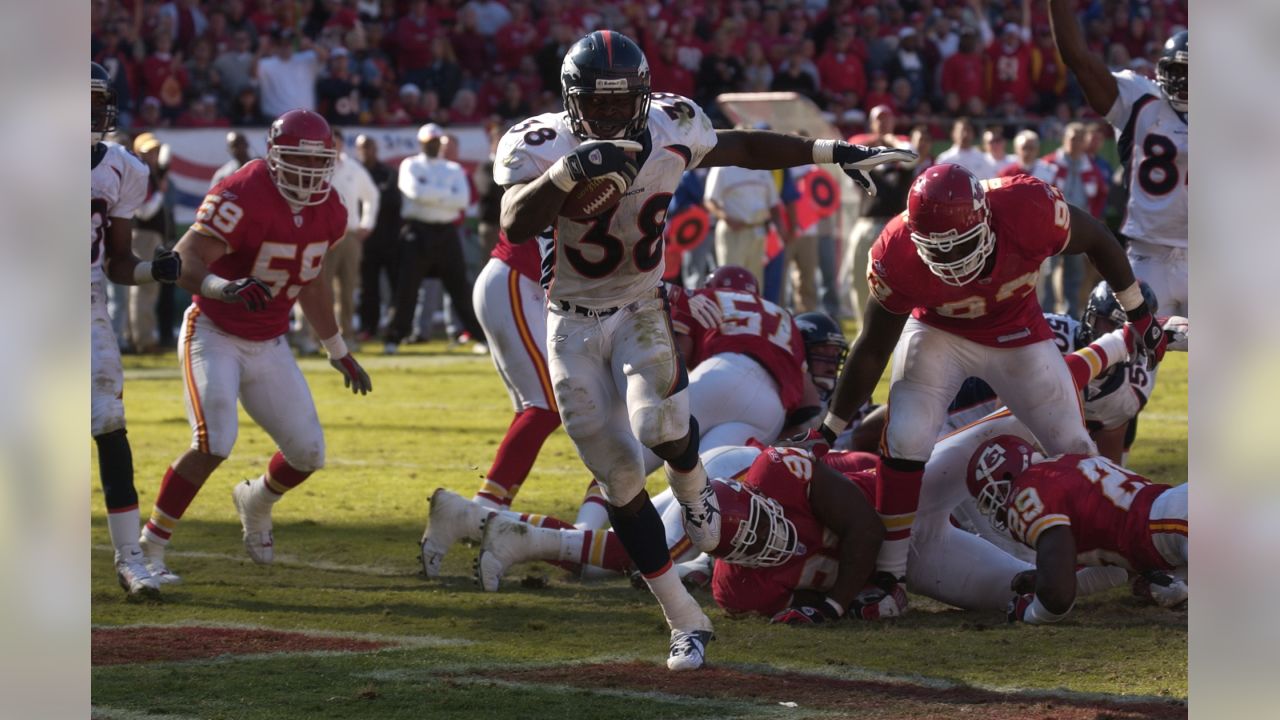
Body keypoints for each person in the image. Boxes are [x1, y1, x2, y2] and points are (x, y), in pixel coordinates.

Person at [494, 30, 913, 671]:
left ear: (641, 96)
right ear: (570, 100)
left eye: (619, 103)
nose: (607, 117)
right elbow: (515, 221)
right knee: (619, 476)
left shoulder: (672, 122)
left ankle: (696, 495)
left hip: (639, 305)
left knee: (658, 425)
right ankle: (685, 621)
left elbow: (740, 147)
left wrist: (830, 152)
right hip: (570, 325)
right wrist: (567, 171)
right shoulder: (543, 144)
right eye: (595, 105)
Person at [812, 163, 1166, 615]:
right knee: (907, 433)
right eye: (938, 251)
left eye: (960, 244)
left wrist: (1138, 314)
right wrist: (829, 428)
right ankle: (889, 577)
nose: (953, 260)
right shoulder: (895, 250)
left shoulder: (1027, 207)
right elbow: (872, 346)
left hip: (1017, 334)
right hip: (938, 335)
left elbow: (1096, 236)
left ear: (984, 218)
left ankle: (1138, 555)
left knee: (1074, 445)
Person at [137, 110, 373, 584]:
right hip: (214, 331)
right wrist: (225, 287)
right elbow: (184, 260)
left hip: (269, 341)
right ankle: (149, 547)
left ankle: (257, 501)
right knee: (213, 441)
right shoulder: (241, 192)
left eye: (317, 162)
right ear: (273, 155)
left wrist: (337, 348)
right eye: (297, 161)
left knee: (308, 453)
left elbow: (310, 282)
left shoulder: (331, 210)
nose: (308, 174)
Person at [92, 62, 183, 597]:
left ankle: (130, 557)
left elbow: (119, 261)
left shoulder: (122, 168)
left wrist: (153, 270)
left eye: (93, 101)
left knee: (109, 418)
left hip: (84, 304)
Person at [1048, 3, 1187, 315]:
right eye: (1179, 71)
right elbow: (1079, 61)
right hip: (1148, 256)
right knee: (1128, 357)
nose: (1185, 81)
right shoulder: (1141, 100)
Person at [967, 435, 1188, 623]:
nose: (995, 512)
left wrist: (1030, 612)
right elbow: (1117, 570)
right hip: (1178, 517)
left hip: (1178, 525)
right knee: (1166, 588)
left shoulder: (1028, 489)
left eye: (990, 501)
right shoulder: (1067, 464)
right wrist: (1045, 578)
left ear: (1006, 478)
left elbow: (1057, 600)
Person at [465, 227, 562, 511]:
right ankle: (485, 505)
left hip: (521, 282)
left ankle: (495, 502)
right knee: (549, 405)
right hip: (516, 278)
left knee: (536, 407)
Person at [384, 122, 486, 354]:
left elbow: (461, 200)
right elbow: (413, 192)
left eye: (436, 142)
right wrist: (444, 194)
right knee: (406, 289)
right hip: (417, 232)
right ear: (421, 143)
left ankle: (480, 337)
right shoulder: (410, 165)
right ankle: (394, 338)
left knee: (460, 288)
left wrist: (430, 193)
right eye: (428, 142)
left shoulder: (453, 169)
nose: (432, 146)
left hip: (446, 233)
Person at [844, 105, 916, 321]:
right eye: (879, 120)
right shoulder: (865, 160)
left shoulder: (900, 163)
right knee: (858, 278)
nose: (883, 124)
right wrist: (876, 140)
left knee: (898, 280)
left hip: (895, 226)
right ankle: (861, 325)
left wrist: (890, 141)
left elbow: (911, 154)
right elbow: (847, 152)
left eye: (887, 119)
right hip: (867, 224)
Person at [1040, 121, 1107, 316]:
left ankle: (1071, 315)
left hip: (1077, 228)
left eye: (1079, 139)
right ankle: (1046, 313)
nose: (1075, 143)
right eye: (1072, 138)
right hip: (1051, 227)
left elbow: (1100, 194)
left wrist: (1094, 219)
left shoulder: (1091, 167)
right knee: (1049, 271)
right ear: (1064, 139)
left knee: (1075, 273)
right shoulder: (1050, 164)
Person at [321, 127, 379, 346]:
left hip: (350, 236)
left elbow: (372, 196)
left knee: (348, 290)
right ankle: (317, 337)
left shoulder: (353, 168)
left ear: (342, 144)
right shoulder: (316, 167)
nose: (333, 147)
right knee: (321, 290)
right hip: (322, 238)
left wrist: (367, 223)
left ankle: (347, 337)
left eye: (336, 142)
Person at [704, 140, 785, 285]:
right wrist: (726, 218)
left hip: (758, 231)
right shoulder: (722, 169)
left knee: (755, 280)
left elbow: (773, 203)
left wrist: (779, 228)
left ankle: (752, 308)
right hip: (733, 231)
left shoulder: (763, 169)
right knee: (731, 279)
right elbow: (710, 200)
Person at [129, 132, 174, 354]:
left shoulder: (150, 175)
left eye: (156, 151)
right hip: (144, 235)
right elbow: (144, 212)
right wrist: (160, 194)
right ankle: (144, 340)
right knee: (145, 289)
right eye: (148, 152)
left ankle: (140, 336)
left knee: (145, 289)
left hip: (147, 236)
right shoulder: (143, 176)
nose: (154, 156)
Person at [354, 134, 401, 341]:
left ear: (376, 149)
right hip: (365, 242)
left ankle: (394, 328)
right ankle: (368, 328)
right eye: (362, 148)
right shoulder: (354, 174)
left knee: (396, 287)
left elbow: (394, 203)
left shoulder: (389, 173)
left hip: (390, 241)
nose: (366, 151)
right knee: (368, 288)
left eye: (369, 147)